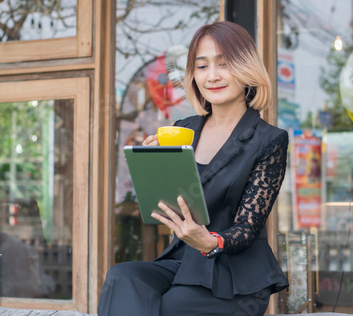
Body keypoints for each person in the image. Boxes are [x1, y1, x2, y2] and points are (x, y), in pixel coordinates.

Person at [98, 21, 289, 316]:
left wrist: (211, 241)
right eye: (201, 66)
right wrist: (153, 166)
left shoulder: (269, 140)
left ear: (246, 68)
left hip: (235, 274)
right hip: (183, 262)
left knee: (169, 306)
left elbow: (247, 228)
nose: (212, 76)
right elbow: (168, 205)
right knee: (122, 278)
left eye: (223, 64)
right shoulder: (182, 130)